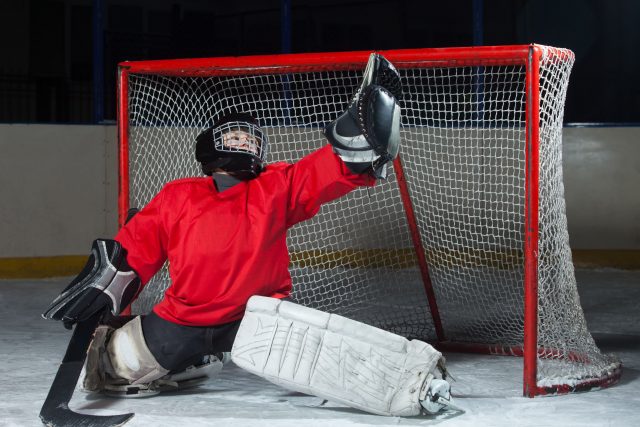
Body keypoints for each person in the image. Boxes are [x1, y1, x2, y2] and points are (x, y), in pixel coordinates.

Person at [42, 54, 458, 416]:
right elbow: (138, 247)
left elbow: (319, 175)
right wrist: (107, 287)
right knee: (107, 370)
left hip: (257, 319)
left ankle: (414, 385)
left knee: (328, 362)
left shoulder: (274, 186)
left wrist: (356, 147)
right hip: (181, 320)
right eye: (234, 135)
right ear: (211, 145)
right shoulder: (178, 195)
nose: (244, 141)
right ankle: (193, 360)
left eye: (251, 137)